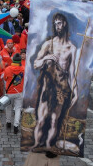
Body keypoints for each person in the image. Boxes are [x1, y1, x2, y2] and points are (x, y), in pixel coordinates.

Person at [32, 13, 78, 149]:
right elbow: (36, 64)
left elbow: (72, 72)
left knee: (54, 121)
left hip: (61, 88)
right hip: (47, 87)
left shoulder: (72, 48)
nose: (58, 26)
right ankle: (36, 144)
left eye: (60, 23)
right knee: (41, 120)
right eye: (56, 23)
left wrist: (75, 90)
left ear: (65, 24)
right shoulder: (49, 44)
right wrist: (46, 59)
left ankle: (48, 146)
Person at [3, 53, 25, 134]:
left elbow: (5, 78)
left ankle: (8, 122)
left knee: (8, 107)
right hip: (19, 91)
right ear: (20, 61)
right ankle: (16, 126)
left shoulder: (8, 69)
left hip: (9, 92)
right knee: (18, 109)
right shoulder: (23, 69)